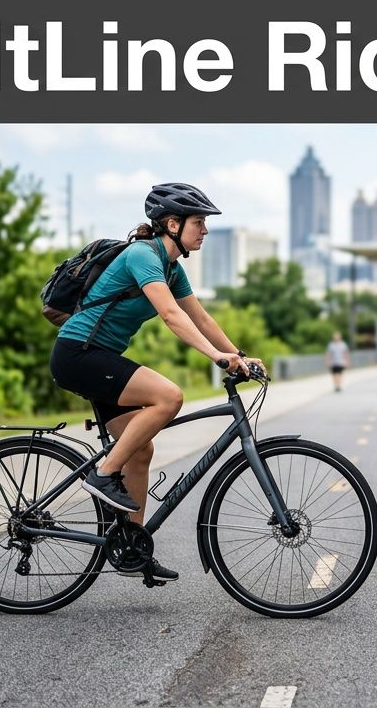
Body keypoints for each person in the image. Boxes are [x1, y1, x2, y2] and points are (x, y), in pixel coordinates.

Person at [49, 182, 266, 581]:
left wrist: (237, 353)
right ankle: (101, 474)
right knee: (169, 397)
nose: (204, 231)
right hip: (78, 353)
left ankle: (130, 547)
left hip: (101, 357)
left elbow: (200, 317)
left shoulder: (171, 267)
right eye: (199, 222)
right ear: (172, 223)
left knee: (142, 449)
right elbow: (171, 315)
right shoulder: (141, 256)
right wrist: (217, 357)